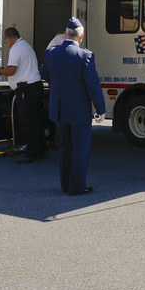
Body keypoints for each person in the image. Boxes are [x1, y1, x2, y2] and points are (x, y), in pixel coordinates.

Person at [40, 17, 105, 196]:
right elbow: (93, 84)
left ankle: (65, 184)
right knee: (80, 149)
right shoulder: (85, 55)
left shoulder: (51, 53)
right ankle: (77, 187)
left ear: (65, 34)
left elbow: (44, 73)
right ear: (81, 36)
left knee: (65, 147)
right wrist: (100, 108)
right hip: (78, 110)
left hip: (59, 108)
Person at [0, 27, 45, 163]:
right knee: (37, 120)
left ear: (9, 38)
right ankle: (41, 149)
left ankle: (32, 153)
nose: (7, 43)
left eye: (6, 40)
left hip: (26, 89)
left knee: (28, 121)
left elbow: (11, 70)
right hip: (35, 86)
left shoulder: (15, 48)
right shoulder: (25, 45)